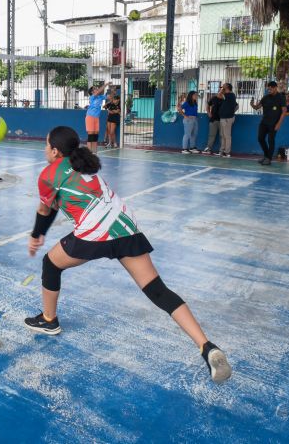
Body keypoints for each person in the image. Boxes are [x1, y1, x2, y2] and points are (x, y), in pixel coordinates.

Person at [24, 126, 232, 383]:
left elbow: (45, 210)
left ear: (55, 151)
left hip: (94, 235)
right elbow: (57, 202)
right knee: (157, 289)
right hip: (126, 228)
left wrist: (36, 235)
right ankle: (206, 346)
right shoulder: (83, 163)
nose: (45, 149)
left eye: (46, 145)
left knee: (50, 264)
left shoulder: (48, 174)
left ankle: (49, 319)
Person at [250, 81, 286, 165]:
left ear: (275, 88)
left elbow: (284, 111)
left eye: (271, 89)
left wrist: (279, 124)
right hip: (264, 122)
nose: (269, 90)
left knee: (271, 140)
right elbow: (257, 107)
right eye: (268, 89)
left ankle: (269, 159)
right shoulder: (265, 97)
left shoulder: (281, 97)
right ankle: (266, 156)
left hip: (274, 123)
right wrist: (252, 104)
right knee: (260, 138)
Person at [85, 82, 107, 152]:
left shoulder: (100, 97)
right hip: (90, 117)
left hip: (96, 118)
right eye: (95, 89)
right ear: (92, 92)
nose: (96, 89)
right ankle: (89, 153)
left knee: (95, 135)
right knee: (91, 135)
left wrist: (112, 91)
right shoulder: (92, 97)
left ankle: (94, 152)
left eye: (96, 88)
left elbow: (109, 97)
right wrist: (105, 85)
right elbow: (99, 91)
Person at [218, 83, 237, 157]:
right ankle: (222, 150)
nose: (222, 86)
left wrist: (230, 113)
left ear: (227, 87)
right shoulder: (227, 95)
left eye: (224, 85)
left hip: (227, 118)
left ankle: (227, 152)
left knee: (227, 135)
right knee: (222, 135)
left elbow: (219, 95)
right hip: (223, 118)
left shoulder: (230, 95)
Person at [203, 89, 222, 155]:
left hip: (222, 120)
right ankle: (208, 148)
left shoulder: (225, 99)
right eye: (219, 91)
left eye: (222, 92)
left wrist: (230, 113)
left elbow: (236, 106)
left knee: (222, 136)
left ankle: (221, 150)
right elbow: (208, 105)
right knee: (211, 135)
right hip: (213, 120)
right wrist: (208, 113)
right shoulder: (213, 98)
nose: (220, 93)